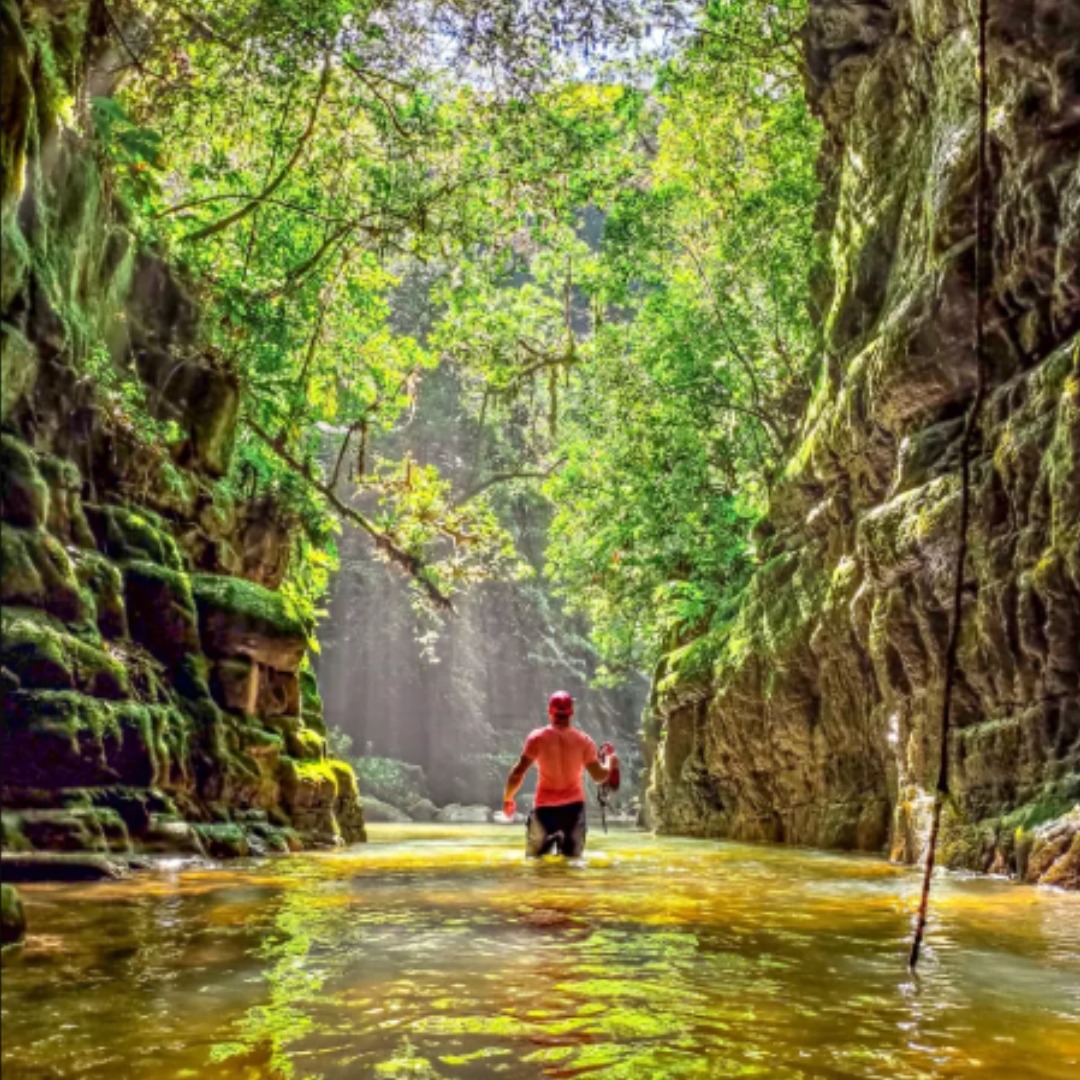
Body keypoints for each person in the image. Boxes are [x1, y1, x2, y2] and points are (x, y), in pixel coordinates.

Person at [502, 691, 620, 858]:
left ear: (550, 711)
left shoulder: (537, 738)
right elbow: (599, 776)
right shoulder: (583, 741)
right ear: (571, 712)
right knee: (573, 864)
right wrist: (610, 761)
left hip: (544, 810)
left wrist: (508, 799)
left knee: (535, 863)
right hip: (573, 811)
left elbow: (517, 773)